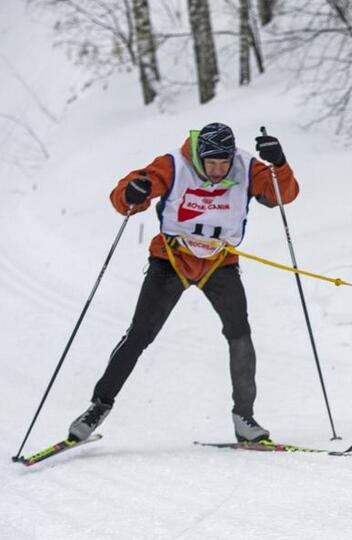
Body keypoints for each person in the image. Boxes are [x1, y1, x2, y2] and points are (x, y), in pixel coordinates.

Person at [68, 122, 299, 443]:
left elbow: (281, 195)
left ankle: (244, 417)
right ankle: (98, 406)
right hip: (171, 260)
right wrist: (131, 193)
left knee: (240, 334)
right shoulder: (174, 165)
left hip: (220, 262)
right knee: (140, 334)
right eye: (211, 163)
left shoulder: (247, 167)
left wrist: (280, 164)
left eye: (224, 162)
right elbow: (129, 192)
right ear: (198, 156)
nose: (218, 170)